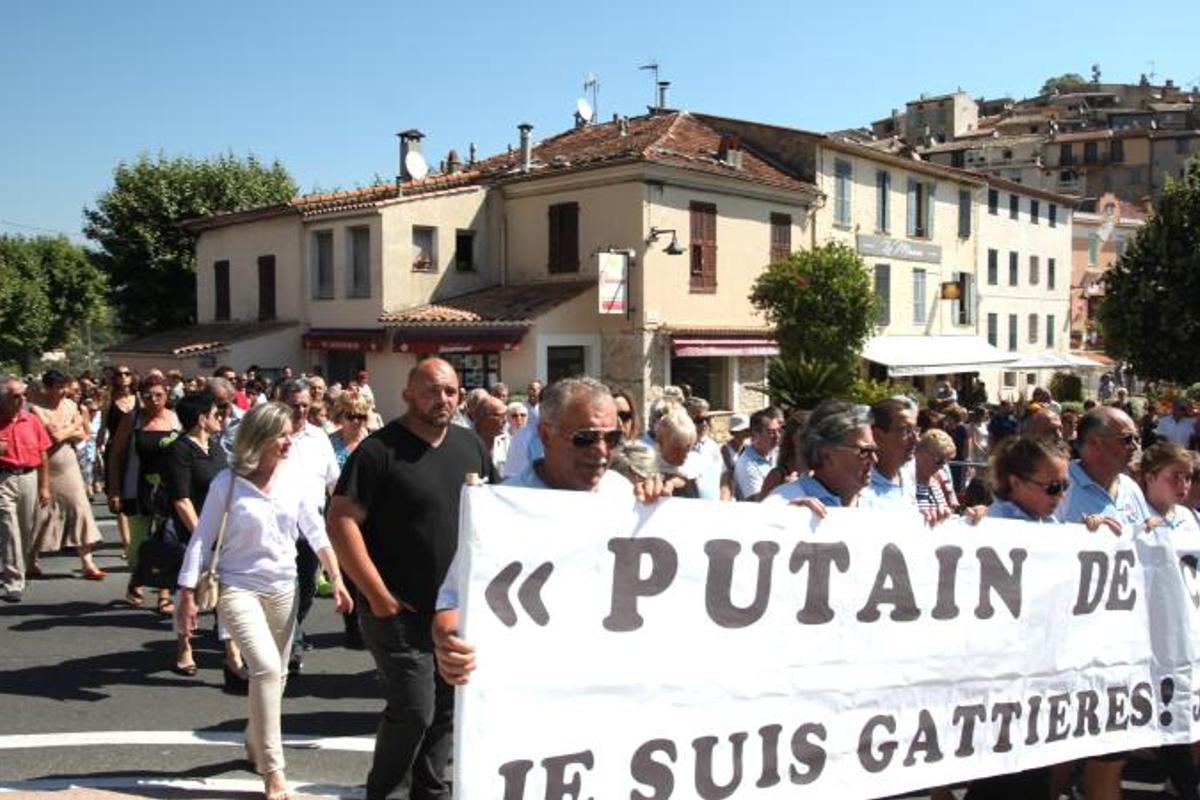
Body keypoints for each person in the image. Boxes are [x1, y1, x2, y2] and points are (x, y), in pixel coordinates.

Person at [327, 358, 498, 800]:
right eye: (431, 390)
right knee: (414, 710)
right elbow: (341, 520)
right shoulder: (378, 451)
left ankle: (429, 790)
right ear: (408, 394)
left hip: (454, 610)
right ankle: (385, 792)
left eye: (451, 391)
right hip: (398, 610)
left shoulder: (470, 445)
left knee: (447, 710)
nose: (442, 399)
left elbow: (496, 511)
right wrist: (378, 596)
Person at [431, 376, 664, 685]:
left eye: (612, 438)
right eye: (585, 438)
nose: (601, 451)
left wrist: (660, 514)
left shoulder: (625, 496)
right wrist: (448, 642)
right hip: (531, 686)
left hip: (609, 683)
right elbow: (452, 603)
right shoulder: (502, 509)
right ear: (545, 435)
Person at [177, 402, 351, 800]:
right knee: (268, 668)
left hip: (285, 587)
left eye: (290, 434)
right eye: (282, 435)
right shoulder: (228, 483)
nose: (290, 441)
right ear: (260, 438)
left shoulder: (295, 478)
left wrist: (337, 577)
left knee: (277, 674)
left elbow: (315, 531)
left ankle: (255, 736)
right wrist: (186, 593)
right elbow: (202, 539)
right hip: (237, 587)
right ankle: (274, 770)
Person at [1053, 406, 1153, 800]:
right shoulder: (1061, 485)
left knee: (1111, 750)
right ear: (1093, 443)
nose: (1136, 446)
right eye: (1127, 439)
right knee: (1059, 751)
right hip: (1069, 638)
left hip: (1119, 639)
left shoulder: (1130, 488)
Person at [163, 390, 227, 675]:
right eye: (215, 414)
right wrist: (203, 535)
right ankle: (184, 646)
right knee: (187, 593)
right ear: (202, 419)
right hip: (191, 533)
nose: (220, 418)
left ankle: (232, 652)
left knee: (224, 592)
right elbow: (181, 499)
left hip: (222, 533)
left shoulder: (216, 448)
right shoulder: (179, 451)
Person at [280, 378, 340, 674]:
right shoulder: (270, 437)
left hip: (312, 523)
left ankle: (291, 630)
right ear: (282, 405)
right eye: (295, 405)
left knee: (307, 586)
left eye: (305, 405)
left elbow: (334, 482)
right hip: (278, 523)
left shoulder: (319, 438)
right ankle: (290, 644)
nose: (301, 411)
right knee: (282, 586)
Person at [107, 374, 181, 613]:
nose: (154, 400)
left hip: (169, 490)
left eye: (159, 395)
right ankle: (136, 579)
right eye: (148, 396)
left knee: (168, 541)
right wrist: (114, 490)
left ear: (167, 395)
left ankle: (164, 592)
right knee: (139, 544)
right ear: (141, 396)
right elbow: (115, 456)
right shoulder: (132, 419)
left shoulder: (175, 419)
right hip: (137, 487)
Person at [28, 370, 105, 580]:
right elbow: (52, 437)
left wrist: (69, 429)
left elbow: (83, 434)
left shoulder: (70, 405)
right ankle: (31, 559)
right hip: (44, 465)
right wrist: (73, 426)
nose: (62, 391)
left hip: (68, 463)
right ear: (47, 388)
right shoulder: (37, 410)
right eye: (58, 387)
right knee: (40, 513)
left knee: (79, 507)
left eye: (64, 387)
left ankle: (88, 562)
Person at [762, 400, 876, 515]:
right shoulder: (782, 503)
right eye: (865, 451)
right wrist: (788, 519)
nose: (874, 459)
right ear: (827, 455)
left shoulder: (877, 504)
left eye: (875, 450)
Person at [0, 376, 51, 602]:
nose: (22, 399)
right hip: (4, 479)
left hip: (29, 477)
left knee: (25, 529)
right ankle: (13, 581)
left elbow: (43, 454)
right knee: (8, 528)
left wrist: (44, 486)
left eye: (23, 395)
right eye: (15, 396)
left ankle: (20, 567)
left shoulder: (32, 420)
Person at [97, 365, 137, 558]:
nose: (123, 377)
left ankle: (137, 539)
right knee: (118, 494)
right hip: (116, 451)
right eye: (119, 374)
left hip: (136, 450)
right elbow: (103, 427)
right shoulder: (109, 400)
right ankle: (126, 543)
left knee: (135, 493)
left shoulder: (140, 399)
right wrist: (98, 451)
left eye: (127, 373)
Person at [861, 396, 919, 511]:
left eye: (916, 430)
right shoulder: (858, 485)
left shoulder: (909, 476)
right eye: (906, 430)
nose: (916, 439)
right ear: (877, 435)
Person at [732, 406, 782, 501]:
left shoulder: (776, 453)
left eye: (778, 431)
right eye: (771, 432)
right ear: (755, 435)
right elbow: (757, 501)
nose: (777, 436)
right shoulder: (747, 464)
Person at [655, 404, 699, 498]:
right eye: (677, 449)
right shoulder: (649, 469)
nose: (684, 455)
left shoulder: (692, 465)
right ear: (660, 442)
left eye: (688, 448)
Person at [914, 429, 957, 517]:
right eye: (939, 461)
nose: (941, 466)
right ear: (922, 453)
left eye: (945, 462)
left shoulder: (940, 479)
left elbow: (950, 510)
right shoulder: (905, 482)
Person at [330, 392, 371, 471]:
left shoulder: (371, 443)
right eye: (351, 416)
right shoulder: (328, 443)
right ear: (339, 416)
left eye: (360, 416)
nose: (356, 421)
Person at [473, 394, 510, 476]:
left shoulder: (509, 443)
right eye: (497, 416)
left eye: (504, 415)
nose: (504, 421)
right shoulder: (464, 441)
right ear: (479, 416)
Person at [720, 412, 751, 501]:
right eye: (745, 430)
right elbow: (728, 474)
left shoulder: (749, 446)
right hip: (733, 491)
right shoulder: (725, 450)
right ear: (735, 432)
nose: (748, 433)